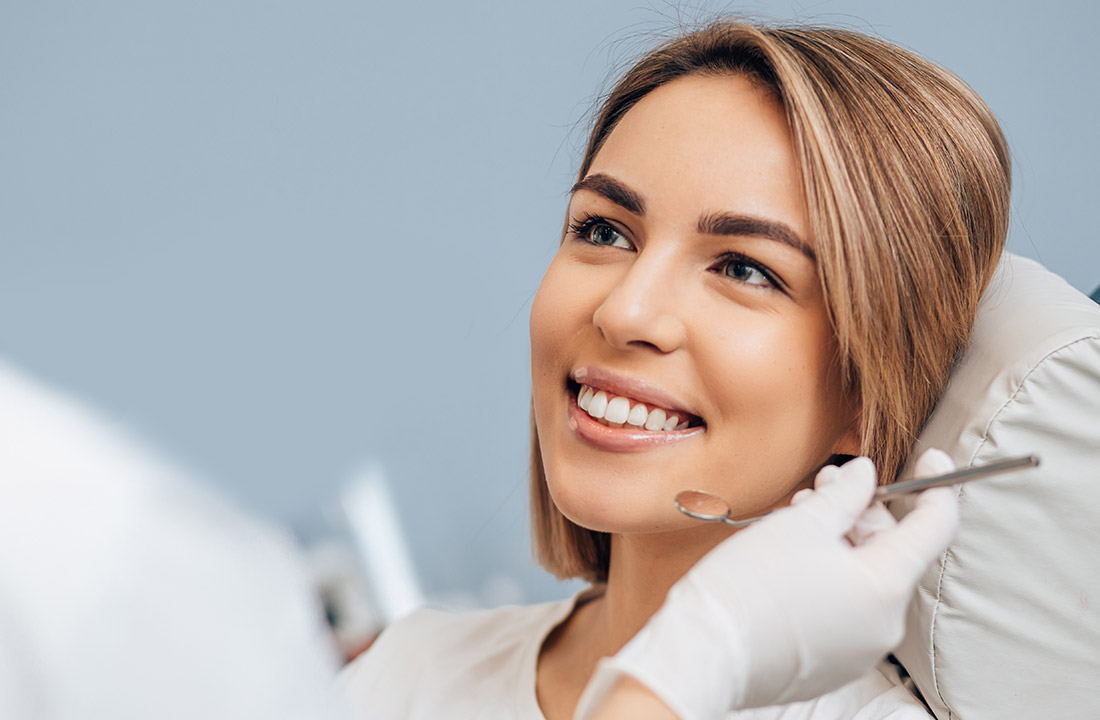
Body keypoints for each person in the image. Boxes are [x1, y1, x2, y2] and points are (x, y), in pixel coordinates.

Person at [341, 18, 1010, 719]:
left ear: (866, 390)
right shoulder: (405, 672)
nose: (625, 312)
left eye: (745, 269)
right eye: (603, 231)